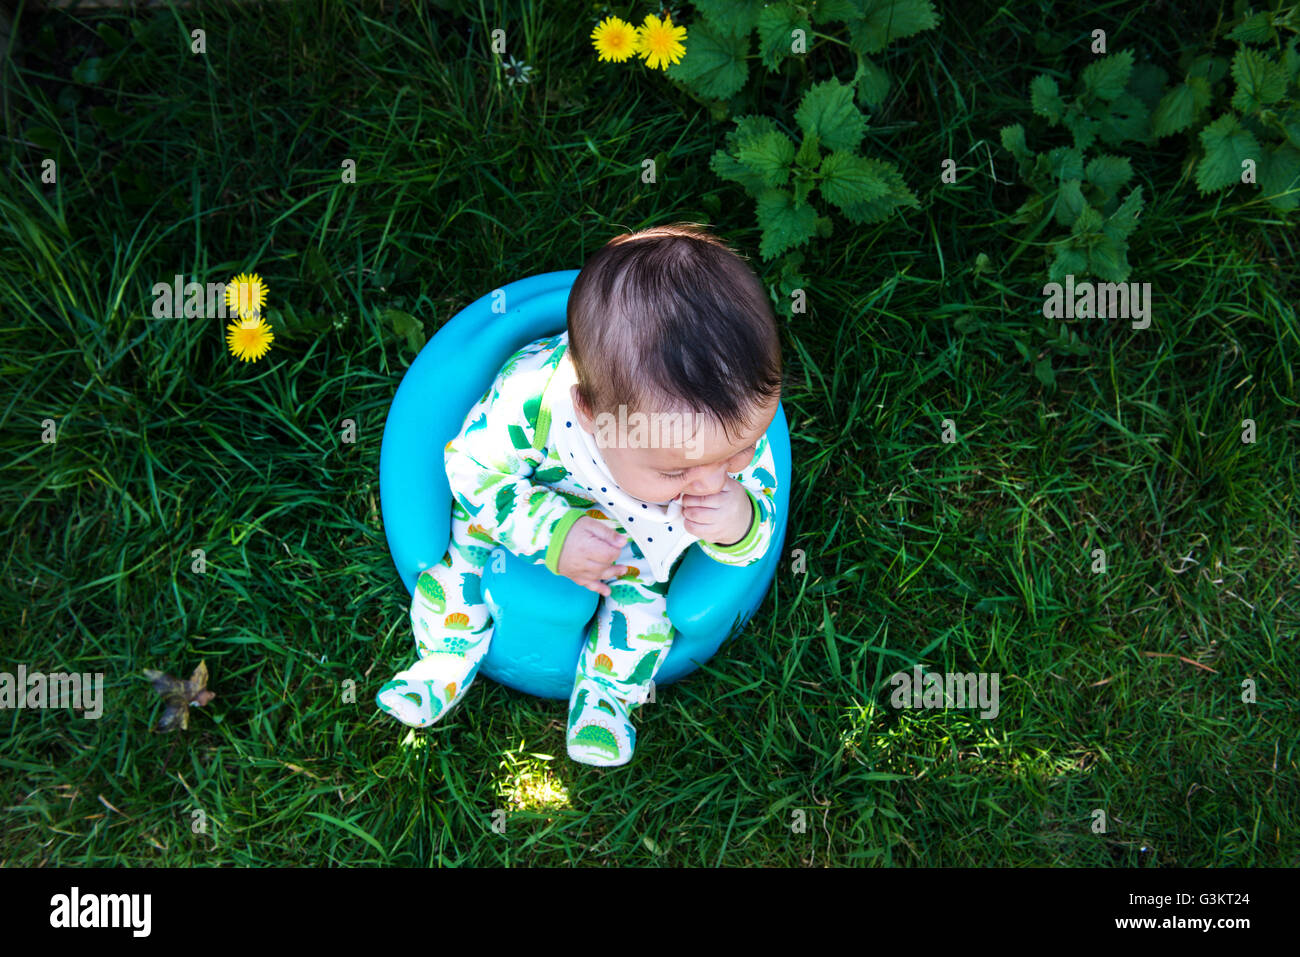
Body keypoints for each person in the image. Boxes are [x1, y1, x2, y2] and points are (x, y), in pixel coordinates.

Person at [376, 223, 783, 766]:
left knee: (645, 616)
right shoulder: (530, 406)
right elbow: (472, 471)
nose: (712, 479)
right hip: (530, 502)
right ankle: (443, 659)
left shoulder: (728, 432)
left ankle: (605, 700)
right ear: (593, 420)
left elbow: (758, 516)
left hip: (634, 545)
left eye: (735, 454)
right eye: (676, 472)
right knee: (459, 562)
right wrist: (552, 533)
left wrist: (739, 518)